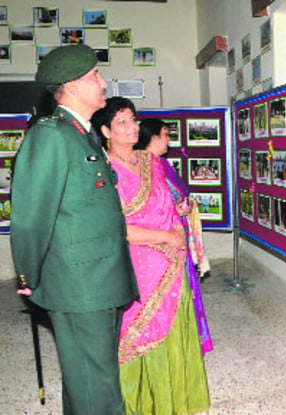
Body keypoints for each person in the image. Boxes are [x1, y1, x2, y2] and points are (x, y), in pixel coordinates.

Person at [10, 45, 139, 415]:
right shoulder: (51, 136)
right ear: (72, 86)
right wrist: (29, 274)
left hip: (99, 277)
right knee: (98, 389)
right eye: (95, 76)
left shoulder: (82, 135)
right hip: (79, 283)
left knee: (89, 378)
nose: (103, 82)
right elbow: (32, 217)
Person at [92, 98, 210, 414]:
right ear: (105, 131)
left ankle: (178, 400)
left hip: (173, 260)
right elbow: (117, 228)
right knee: (140, 333)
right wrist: (166, 237)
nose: (131, 127)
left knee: (175, 326)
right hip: (138, 265)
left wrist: (179, 223)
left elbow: (166, 205)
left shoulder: (151, 161)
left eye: (132, 119)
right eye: (121, 122)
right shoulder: (103, 172)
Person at [136, 117, 213, 355]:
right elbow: (148, 209)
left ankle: (189, 339)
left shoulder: (161, 164)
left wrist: (179, 211)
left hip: (177, 232)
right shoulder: (143, 167)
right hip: (160, 242)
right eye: (165, 134)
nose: (169, 139)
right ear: (154, 137)